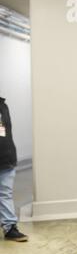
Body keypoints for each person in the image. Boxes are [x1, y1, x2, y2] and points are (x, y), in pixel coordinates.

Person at [0, 97, 28, 242]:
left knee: (5, 193)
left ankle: (10, 227)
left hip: (6, 158)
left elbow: (6, 133)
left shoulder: (3, 106)